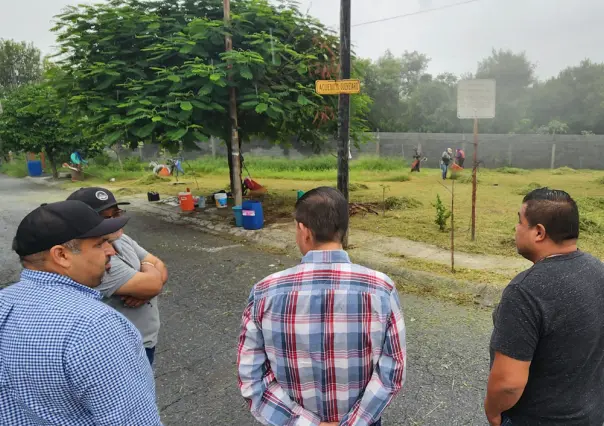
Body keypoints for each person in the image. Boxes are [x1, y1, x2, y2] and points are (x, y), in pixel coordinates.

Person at [237, 187, 406, 426]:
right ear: (343, 229)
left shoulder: (265, 292)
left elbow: (251, 377)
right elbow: (392, 372)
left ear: (304, 231)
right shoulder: (381, 288)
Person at [1, 201, 161, 425]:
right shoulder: (94, 326)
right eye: (99, 244)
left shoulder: (4, 303)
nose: (111, 251)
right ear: (62, 255)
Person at [485, 188, 604, 426]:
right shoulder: (598, 270)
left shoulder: (525, 292)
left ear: (538, 232)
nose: (516, 228)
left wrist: (492, 411)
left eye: (520, 221)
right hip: (591, 416)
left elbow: (508, 384)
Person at [67, 187, 168, 366]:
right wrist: (149, 274)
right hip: (121, 348)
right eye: (105, 217)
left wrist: (147, 284)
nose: (115, 221)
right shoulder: (95, 260)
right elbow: (153, 283)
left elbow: (161, 267)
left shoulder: (121, 238)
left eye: (116, 213)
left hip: (144, 339)